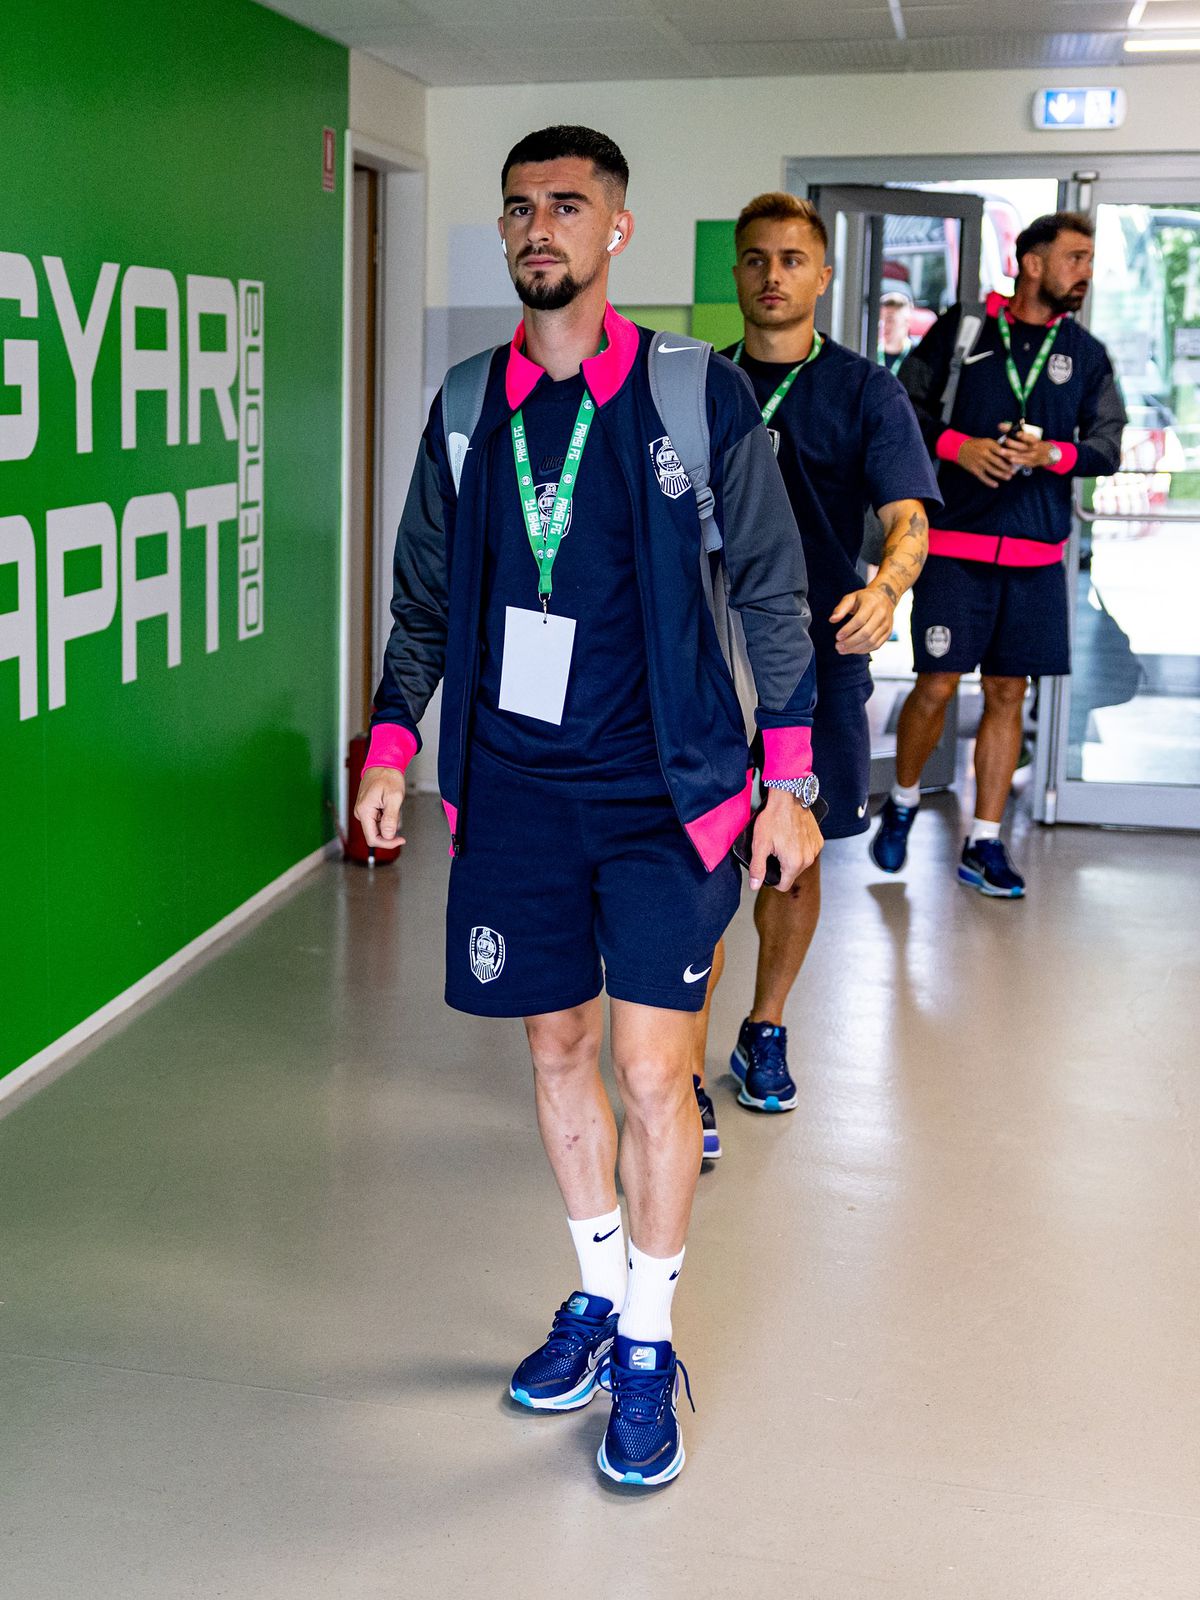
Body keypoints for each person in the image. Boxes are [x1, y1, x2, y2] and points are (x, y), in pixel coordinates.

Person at [353, 127, 821, 1488]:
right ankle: (600, 1291)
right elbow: (424, 598)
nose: (538, 228)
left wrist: (787, 780)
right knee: (557, 1050)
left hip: (667, 796)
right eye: (519, 208)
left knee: (653, 1071)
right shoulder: (466, 407)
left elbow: (773, 587)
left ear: (616, 230)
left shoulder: (691, 393)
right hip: (513, 796)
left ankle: (648, 1345)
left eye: (566, 205)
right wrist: (392, 746)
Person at [692, 193, 939, 1146]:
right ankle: (681, 1064)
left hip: (822, 659)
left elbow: (908, 516)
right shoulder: (697, 382)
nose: (773, 276)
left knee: (792, 860)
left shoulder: (867, 391)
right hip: (708, 660)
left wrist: (889, 588)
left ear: (824, 276)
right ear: (737, 272)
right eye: (756, 259)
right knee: (696, 862)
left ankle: (765, 1028)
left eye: (793, 259)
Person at [871, 210, 1126, 897]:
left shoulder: (1086, 353)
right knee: (938, 685)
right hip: (956, 548)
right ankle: (903, 800)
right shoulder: (963, 331)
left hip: (1037, 558)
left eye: (1089, 259)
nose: (1085, 272)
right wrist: (959, 447)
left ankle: (984, 842)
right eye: (1075, 258)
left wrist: (1054, 454)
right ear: (1032, 263)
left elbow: (1107, 444)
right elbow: (900, 407)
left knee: (1009, 692)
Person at [878, 280, 914, 374]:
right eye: (881, 319)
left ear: (906, 321)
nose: (883, 325)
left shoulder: (918, 357)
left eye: (890, 319)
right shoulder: (871, 353)